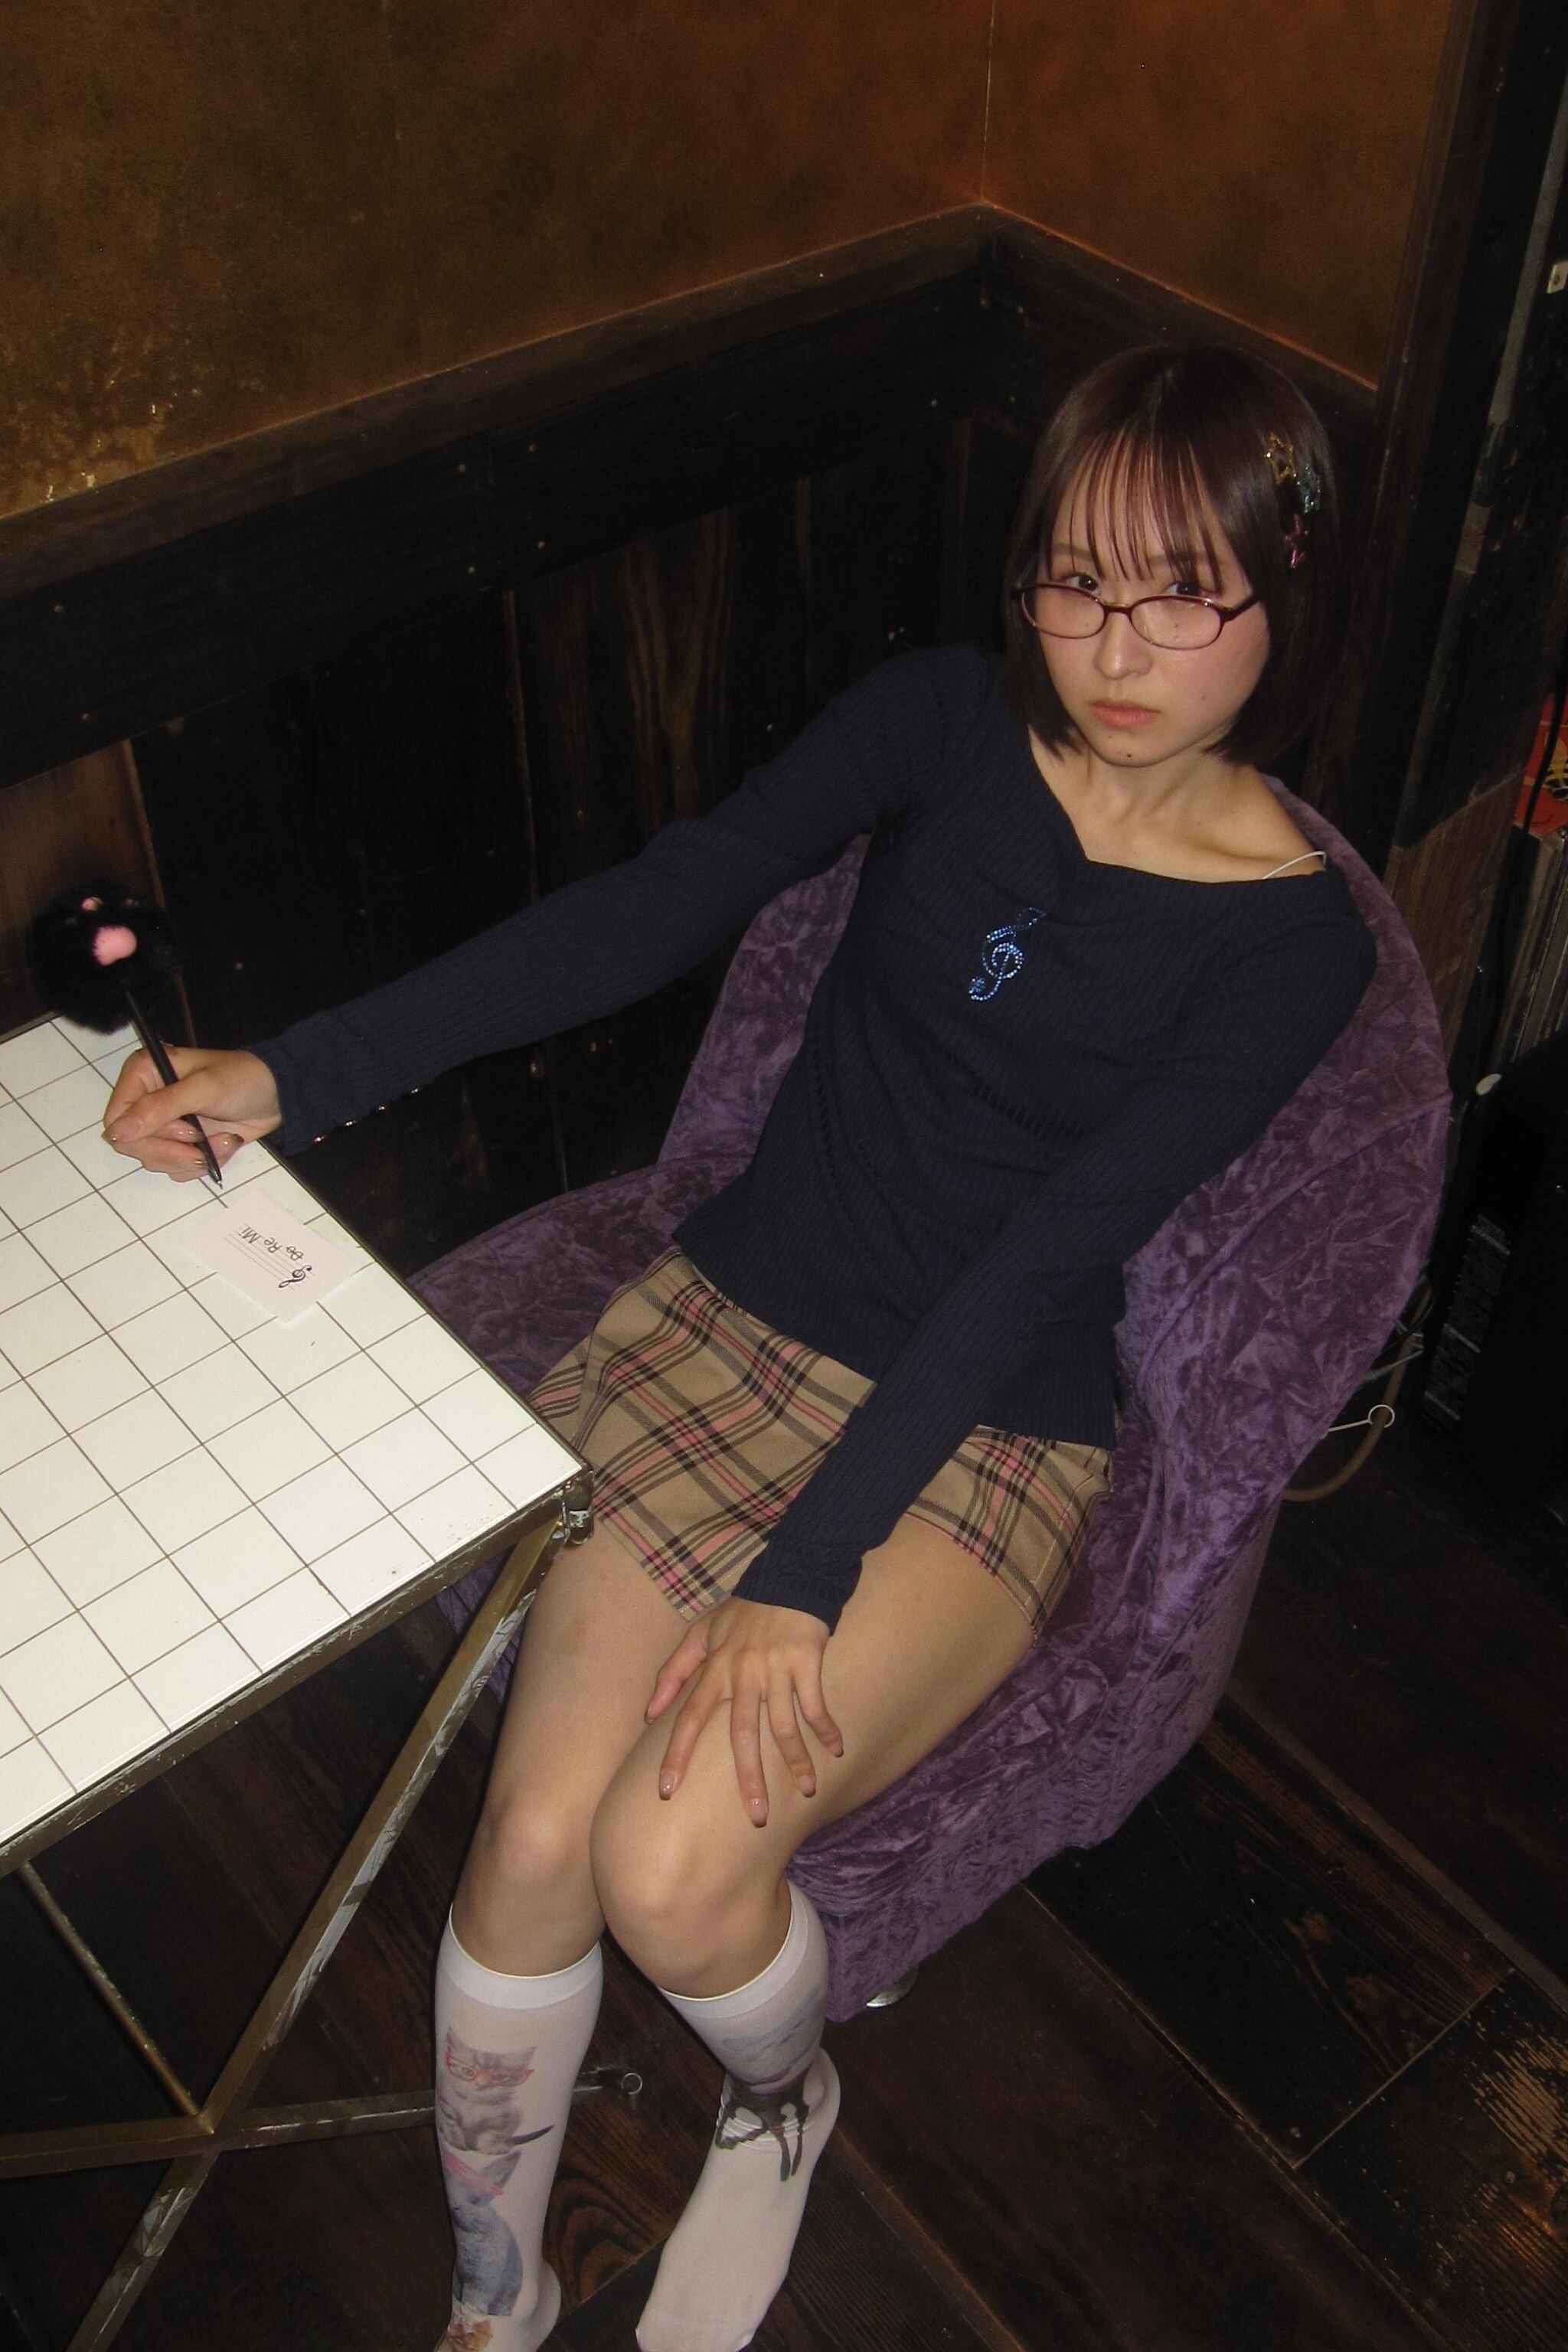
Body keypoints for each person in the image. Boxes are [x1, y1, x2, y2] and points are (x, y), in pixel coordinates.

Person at [103, 342, 1376, 2352]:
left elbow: (1055, 1249)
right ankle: (496, 2301)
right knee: (535, 1843)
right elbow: (660, 900)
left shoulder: (1296, 942)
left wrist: (805, 1571)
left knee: (675, 1871)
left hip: (983, 1423)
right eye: (1073, 578)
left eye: (1181, 592)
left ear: (1287, 593)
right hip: (729, 1318)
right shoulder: (945, 715)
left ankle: (786, 2103)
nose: (1116, 647)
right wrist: (298, 1074)